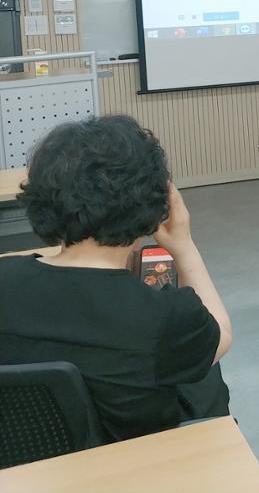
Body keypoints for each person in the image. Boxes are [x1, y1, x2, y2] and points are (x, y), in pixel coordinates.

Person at [0, 115, 232, 443]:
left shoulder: (6, 278)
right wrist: (184, 246)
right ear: (156, 205)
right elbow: (220, 336)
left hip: (26, 461)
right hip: (134, 461)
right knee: (203, 369)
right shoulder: (164, 316)